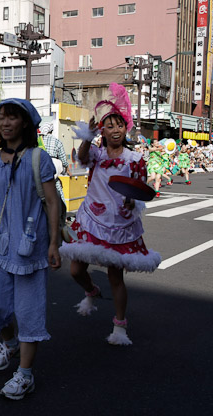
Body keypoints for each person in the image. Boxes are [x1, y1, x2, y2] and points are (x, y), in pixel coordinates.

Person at [0, 98, 61, 401]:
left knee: (29, 314)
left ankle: (25, 375)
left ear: (25, 123)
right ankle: (9, 344)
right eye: (1, 118)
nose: (4, 123)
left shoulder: (38, 158)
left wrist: (54, 242)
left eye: (12, 118)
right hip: (2, 246)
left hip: (31, 247)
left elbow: (52, 202)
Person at [61, 83, 161, 346]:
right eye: (109, 126)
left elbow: (140, 189)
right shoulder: (96, 152)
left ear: (125, 128)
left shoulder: (135, 158)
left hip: (119, 223)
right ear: (102, 131)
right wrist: (86, 137)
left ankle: (119, 327)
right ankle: (91, 290)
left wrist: (131, 200)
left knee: (116, 277)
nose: (115, 130)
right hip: (91, 219)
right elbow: (81, 158)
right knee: (74, 269)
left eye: (119, 125)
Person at [39, 122, 70, 200]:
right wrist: (66, 170)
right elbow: (63, 161)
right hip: (53, 176)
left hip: (39, 176)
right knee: (59, 197)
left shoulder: (37, 140)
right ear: (51, 131)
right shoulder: (57, 141)